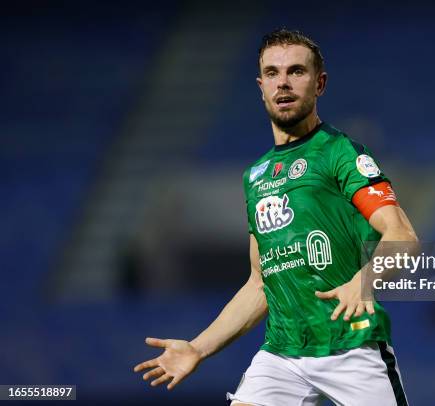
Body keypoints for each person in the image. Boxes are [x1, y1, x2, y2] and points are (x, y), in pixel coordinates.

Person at [134, 28, 418, 406]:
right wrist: (198, 349)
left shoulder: (341, 154)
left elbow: (403, 236)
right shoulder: (255, 176)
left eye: (296, 72)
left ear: (320, 84)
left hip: (352, 346)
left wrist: (364, 280)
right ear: (261, 85)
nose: (283, 82)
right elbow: (259, 284)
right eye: (272, 73)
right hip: (282, 355)